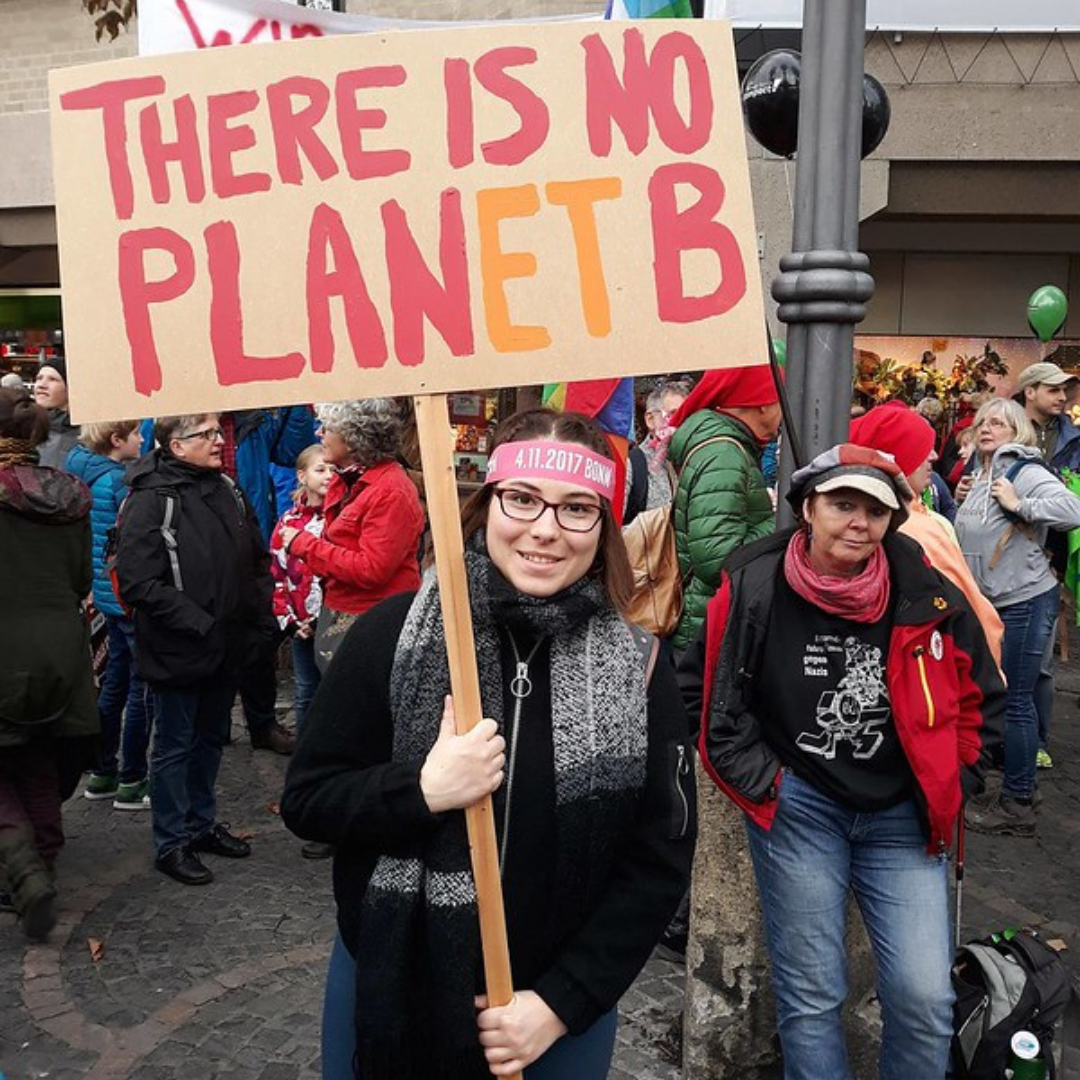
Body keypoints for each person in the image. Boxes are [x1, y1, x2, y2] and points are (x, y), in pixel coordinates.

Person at [281, 408, 696, 1080]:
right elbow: (309, 797)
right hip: (393, 979)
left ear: (604, 528)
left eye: (577, 509)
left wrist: (562, 1003)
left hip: (548, 1017)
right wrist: (420, 790)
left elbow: (657, 861)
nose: (545, 530)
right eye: (523, 499)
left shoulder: (641, 668)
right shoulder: (391, 633)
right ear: (486, 504)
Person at [682, 444, 1005, 1080]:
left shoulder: (927, 593)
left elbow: (981, 697)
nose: (858, 522)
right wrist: (766, 781)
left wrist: (955, 777)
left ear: (894, 519)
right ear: (809, 508)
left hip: (904, 818)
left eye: (876, 509)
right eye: (843, 504)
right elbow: (703, 691)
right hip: (800, 810)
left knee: (925, 998)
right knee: (811, 996)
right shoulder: (754, 584)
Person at [115, 413, 276, 885]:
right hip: (178, 646)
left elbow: (256, 559)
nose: (216, 441)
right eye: (204, 434)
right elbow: (140, 583)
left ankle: (201, 824)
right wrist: (198, 623)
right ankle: (171, 842)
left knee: (210, 739)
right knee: (173, 745)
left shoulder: (228, 489)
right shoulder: (151, 500)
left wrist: (259, 618)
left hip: (227, 645)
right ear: (175, 445)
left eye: (215, 432)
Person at [956, 398, 1080, 836]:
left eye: (999, 422)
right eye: (982, 421)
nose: (987, 428)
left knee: (1016, 700)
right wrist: (962, 500)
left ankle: (1019, 802)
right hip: (991, 603)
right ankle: (1011, 779)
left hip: (1024, 599)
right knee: (995, 694)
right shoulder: (980, 471)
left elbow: (1072, 510)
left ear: (1018, 431)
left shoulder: (1024, 469)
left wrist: (1020, 503)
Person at [0, 388, 98, 941]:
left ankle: (24, 869)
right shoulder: (71, 495)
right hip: (59, 652)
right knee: (36, 757)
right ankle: (46, 863)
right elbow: (81, 581)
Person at [849, 402, 1004, 667]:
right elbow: (972, 617)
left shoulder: (916, 517)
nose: (934, 456)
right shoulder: (919, 528)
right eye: (922, 450)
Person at [279, 399, 424, 673]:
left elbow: (372, 569)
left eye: (327, 427)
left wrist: (305, 546)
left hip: (371, 622)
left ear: (354, 437)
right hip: (342, 614)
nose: (318, 433)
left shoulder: (391, 491)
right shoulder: (346, 479)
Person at [66, 420, 154, 809]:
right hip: (126, 598)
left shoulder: (83, 471)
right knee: (139, 689)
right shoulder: (120, 483)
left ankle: (103, 771)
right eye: (136, 434)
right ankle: (132, 780)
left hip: (105, 596)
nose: (142, 440)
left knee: (114, 683)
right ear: (117, 441)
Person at [221, 407, 317, 757]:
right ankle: (215, 721)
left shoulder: (256, 415)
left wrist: (296, 400)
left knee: (259, 632)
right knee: (208, 627)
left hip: (252, 532)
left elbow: (292, 452)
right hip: (201, 531)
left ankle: (261, 724)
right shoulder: (180, 412)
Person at [667, 364, 780, 654]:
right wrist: (781, 521)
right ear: (763, 404)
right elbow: (717, 560)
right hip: (709, 628)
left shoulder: (725, 449)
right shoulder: (724, 455)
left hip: (708, 620)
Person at [1014, 361, 1079, 770]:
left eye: (1064, 391)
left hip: (1049, 562)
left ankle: (1034, 739)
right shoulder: (1000, 427)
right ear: (1029, 392)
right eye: (1053, 389)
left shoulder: (1074, 440)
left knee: (1037, 661)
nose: (1062, 397)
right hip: (1004, 562)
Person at [270, 443, 332, 862]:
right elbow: (277, 573)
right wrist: (292, 619)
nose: (328, 475)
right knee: (306, 694)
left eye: (333, 468)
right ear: (302, 477)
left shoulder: (339, 519)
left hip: (332, 623)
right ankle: (306, 764)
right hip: (301, 624)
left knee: (330, 696)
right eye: (321, 468)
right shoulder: (288, 521)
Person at [640, 380, 692, 510]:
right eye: (674, 414)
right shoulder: (634, 465)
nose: (681, 423)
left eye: (687, 415)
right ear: (650, 420)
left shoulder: (694, 460)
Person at [33, 355, 78, 470]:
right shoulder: (25, 428)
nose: (41, 385)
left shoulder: (87, 435)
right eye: (39, 378)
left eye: (52, 379)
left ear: (69, 388)